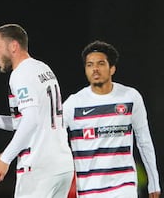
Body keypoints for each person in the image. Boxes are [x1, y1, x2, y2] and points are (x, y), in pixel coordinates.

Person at [0, 23, 75, 198]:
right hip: (62, 166)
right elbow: (29, 119)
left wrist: (4, 159)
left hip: (39, 168)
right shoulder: (43, 68)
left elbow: (31, 120)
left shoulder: (21, 74)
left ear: (13, 46)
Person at [63, 40, 161, 198]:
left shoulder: (130, 97)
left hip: (124, 187)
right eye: (89, 65)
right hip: (89, 190)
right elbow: (50, 132)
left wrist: (154, 181)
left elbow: (144, 141)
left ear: (112, 68)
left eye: (100, 63)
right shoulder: (74, 103)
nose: (95, 69)